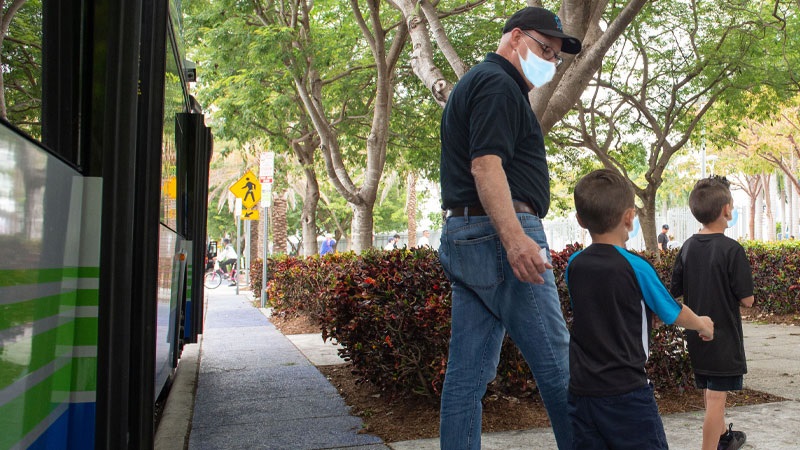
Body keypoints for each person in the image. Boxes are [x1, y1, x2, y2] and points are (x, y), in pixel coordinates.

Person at [437, 6, 582, 449]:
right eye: (545, 49)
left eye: (556, 57)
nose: (550, 62)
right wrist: (516, 238)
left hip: (466, 237)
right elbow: (485, 165)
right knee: (560, 367)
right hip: (501, 235)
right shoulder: (499, 84)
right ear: (515, 37)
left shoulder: (478, 83)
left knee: (467, 377)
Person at [567, 169, 714, 449]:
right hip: (627, 393)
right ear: (630, 217)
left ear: (580, 220)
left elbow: (599, 311)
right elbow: (674, 312)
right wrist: (704, 325)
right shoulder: (636, 267)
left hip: (582, 393)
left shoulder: (574, 265)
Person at [670, 176, 754, 450]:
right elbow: (748, 300)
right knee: (716, 400)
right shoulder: (732, 250)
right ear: (727, 209)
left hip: (697, 335)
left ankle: (724, 438)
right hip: (723, 337)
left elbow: (675, 291)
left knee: (710, 392)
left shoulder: (687, 247)